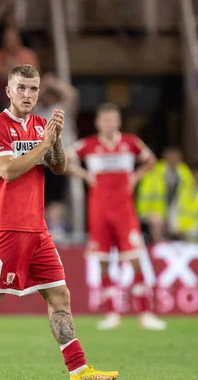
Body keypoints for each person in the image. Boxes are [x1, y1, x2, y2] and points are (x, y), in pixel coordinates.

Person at [0, 64, 118, 380]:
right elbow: (9, 171)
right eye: (22, 88)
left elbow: (58, 166)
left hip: (37, 227)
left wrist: (54, 139)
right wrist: (42, 144)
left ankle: (78, 370)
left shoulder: (40, 124)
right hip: (8, 227)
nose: (28, 94)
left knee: (60, 296)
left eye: (34, 89)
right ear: (9, 91)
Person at [67, 103, 166, 331]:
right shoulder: (88, 145)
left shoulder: (130, 143)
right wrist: (84, 175)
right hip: (99, 210)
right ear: (98, 123)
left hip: (124, 210)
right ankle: (112, 313)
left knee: (135, 258)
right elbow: (63, 160)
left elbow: (150, 160)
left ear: (119, 122)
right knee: (102, 261)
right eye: (105, 120)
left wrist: (136, 177)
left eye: (113, 120)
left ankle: (145, 313)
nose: (109, 124)